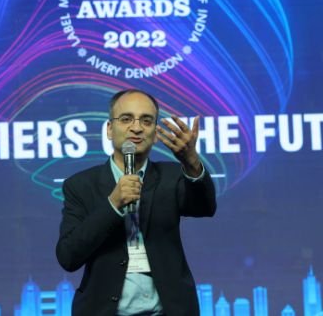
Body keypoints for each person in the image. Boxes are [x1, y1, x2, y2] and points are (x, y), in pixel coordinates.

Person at [56, 89, 217, 316]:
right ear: (109, 129)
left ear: (155, 133)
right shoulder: (81, 185)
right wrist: (112, 204)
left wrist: (191, 162)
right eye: (126, 119)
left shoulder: (172, 177)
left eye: (146, 121)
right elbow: (68, 256)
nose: (137, 128)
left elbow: (204, 207)